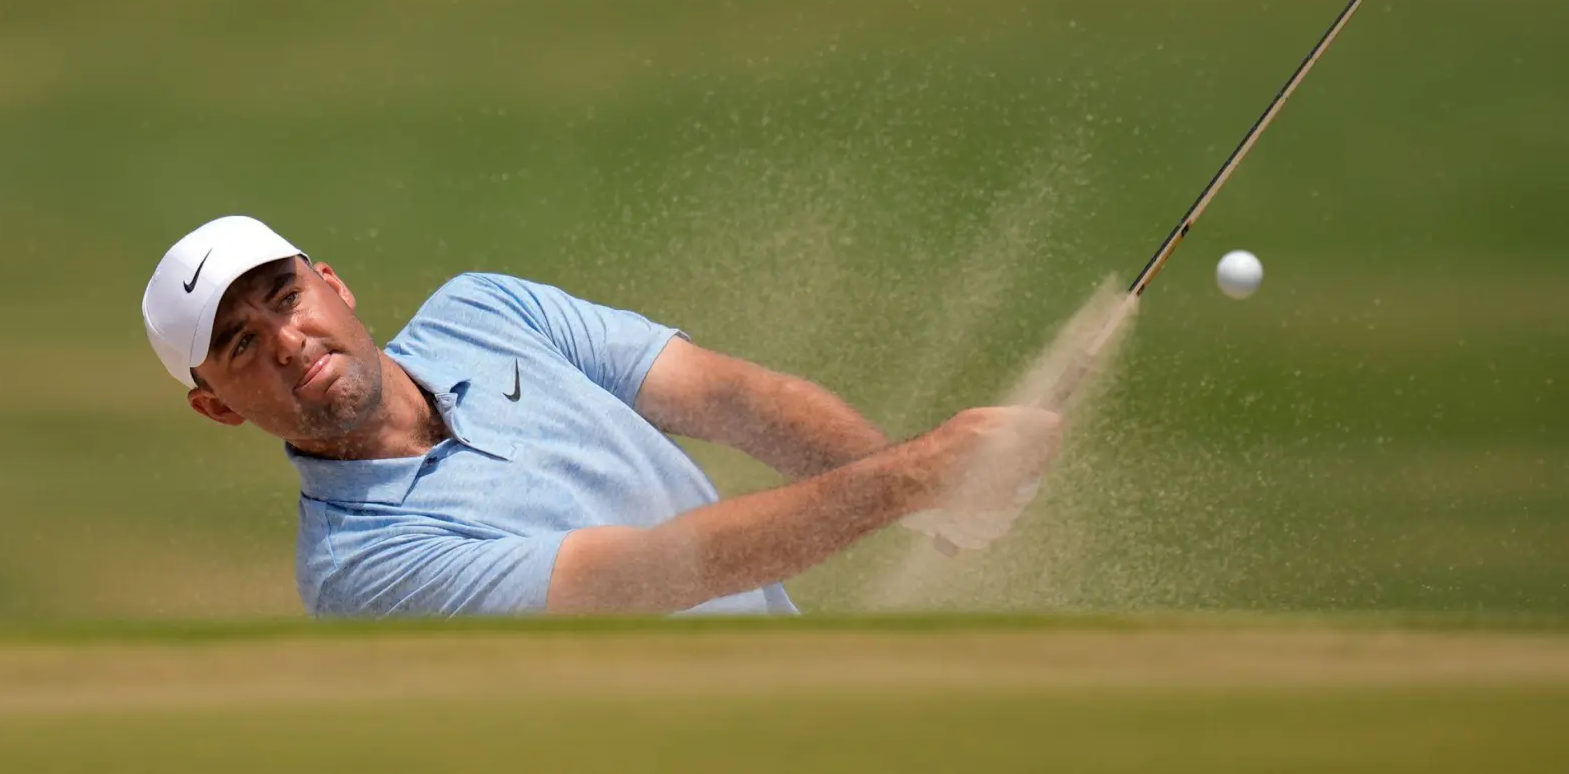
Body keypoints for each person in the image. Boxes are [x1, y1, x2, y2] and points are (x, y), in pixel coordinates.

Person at [142, 216, 1062, 617]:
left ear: (332, 284)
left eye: (284, 297)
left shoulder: (489, 311)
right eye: (241, 344)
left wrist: (935, 493)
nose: (288, 341)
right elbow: (653, 573)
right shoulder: (360, 571)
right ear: (217, 406)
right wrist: (908, 480)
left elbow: (733, 399)